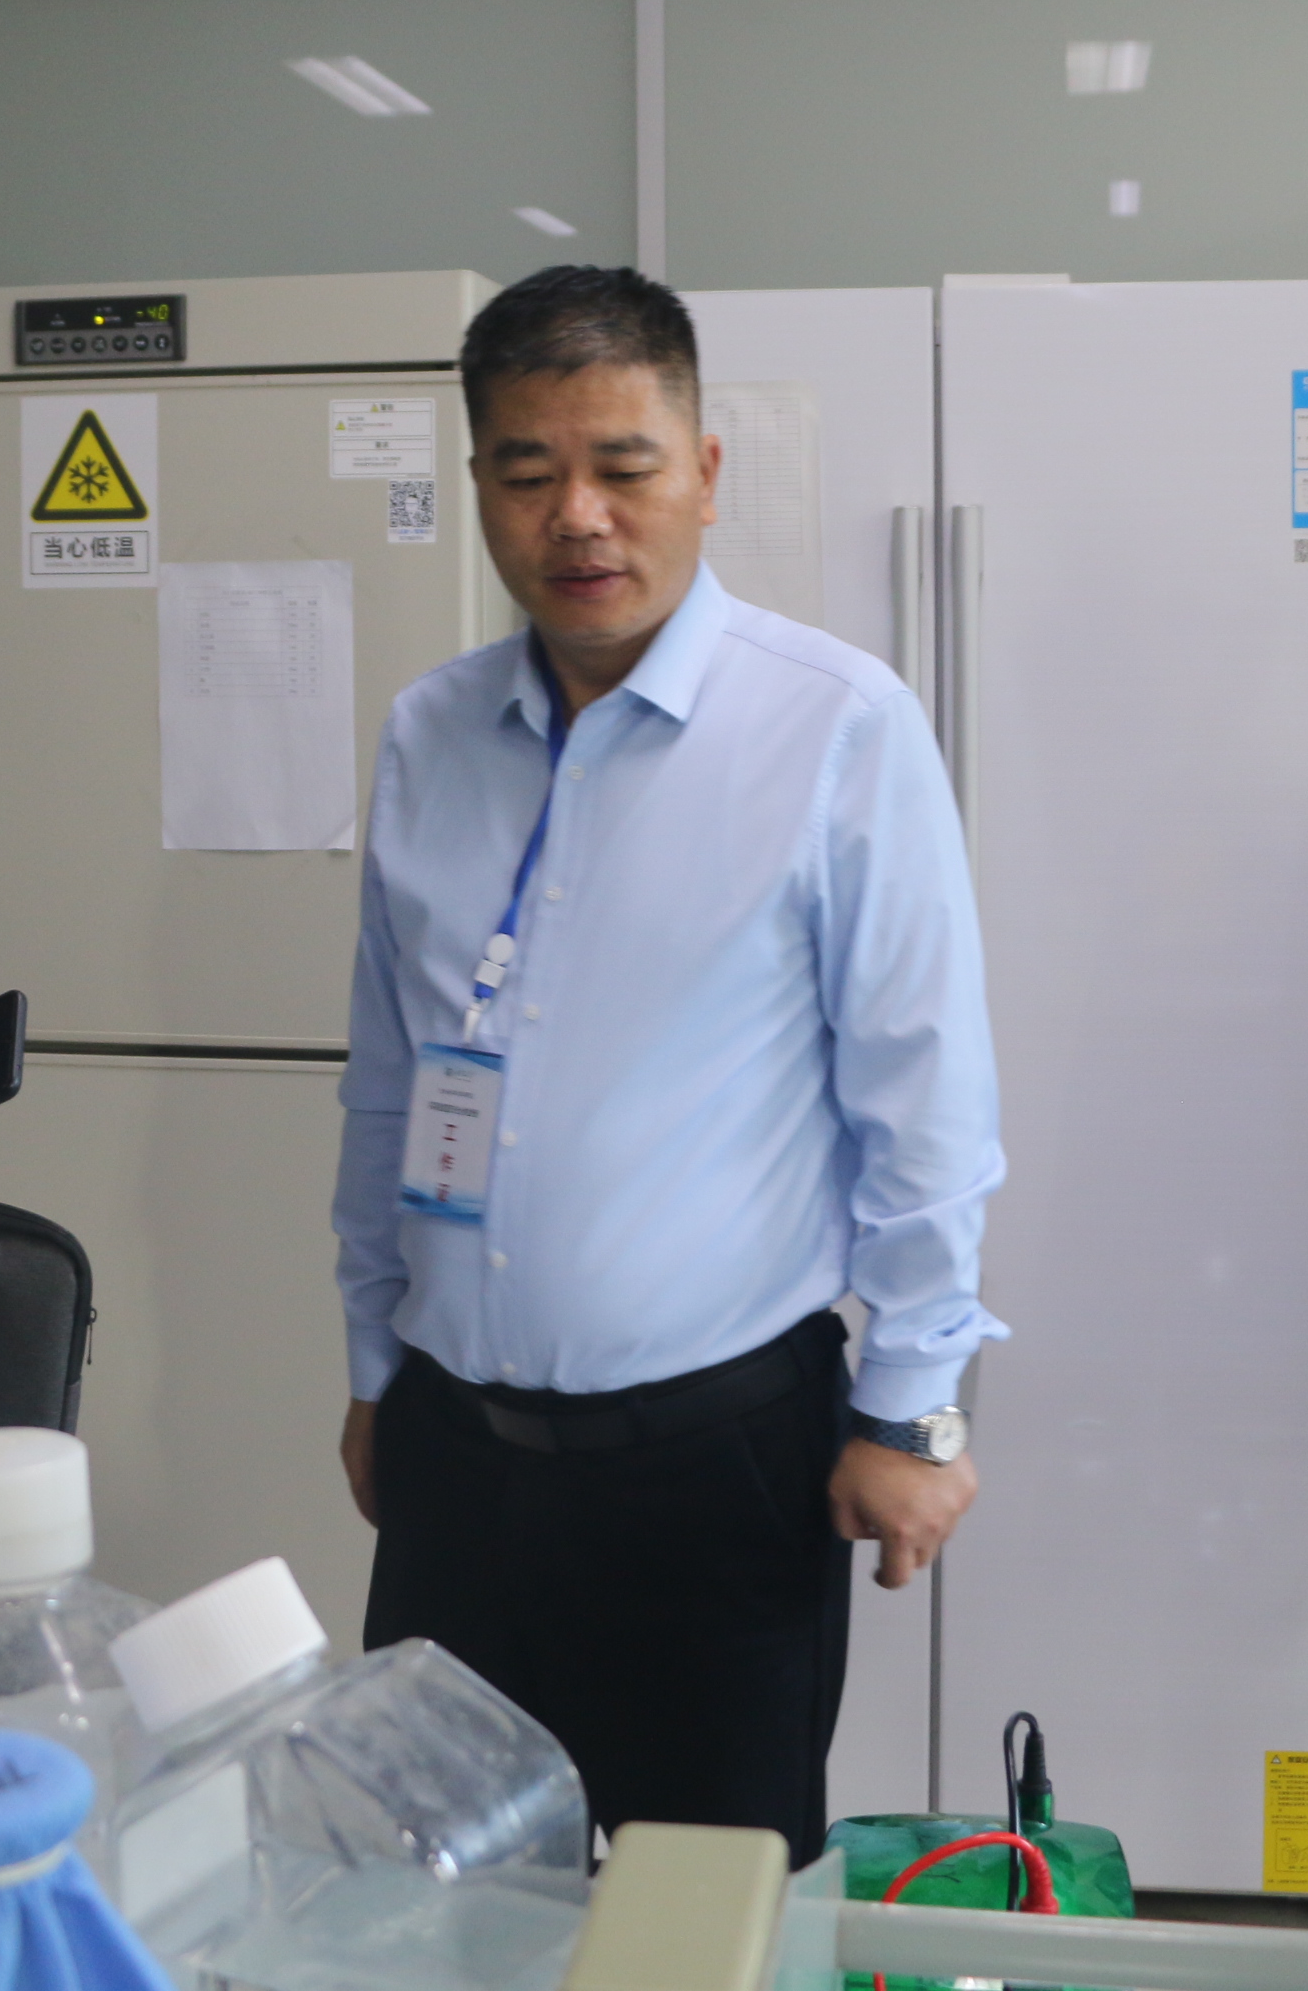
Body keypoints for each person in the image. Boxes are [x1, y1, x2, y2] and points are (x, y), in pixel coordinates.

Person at [329, 265, 1007, 1850]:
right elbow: (386, 1077)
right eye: (527, 471)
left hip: (714, 1468)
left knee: (701, 1910)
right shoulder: (431, 731)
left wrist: (912, 1408)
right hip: (452, 1455)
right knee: (433, 1902)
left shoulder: (836, 727)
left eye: (623, 466)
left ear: (703, 474)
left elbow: (922, 1098)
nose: (578, 516)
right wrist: (372, 1368)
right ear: (478, 485)